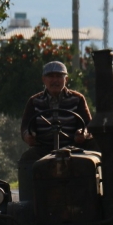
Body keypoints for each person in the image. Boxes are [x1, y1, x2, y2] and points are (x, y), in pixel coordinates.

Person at [18, 61, 93, 200]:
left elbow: (88, 125)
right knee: (27, 159)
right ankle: (29, 201)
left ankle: (94, 196)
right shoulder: (34, 101)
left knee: (95, 153)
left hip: (74, 148)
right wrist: (28, 135)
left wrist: (83, 134)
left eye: (59, 76)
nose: (55, 80)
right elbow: (26, 127)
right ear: (44, 80)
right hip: (44, 148)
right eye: (50, 76)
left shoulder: (77, 99)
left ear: (66, 79)